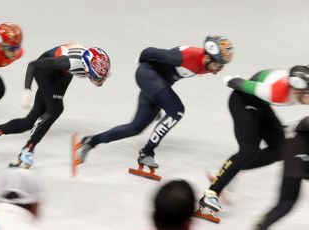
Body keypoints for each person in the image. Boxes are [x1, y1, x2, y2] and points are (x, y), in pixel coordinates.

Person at [75, 35, 233, 170]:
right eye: (218, 64)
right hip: (147, 75)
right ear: (207, 57)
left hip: (157, 85)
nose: (220, 69)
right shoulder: (186, 57)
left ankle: (91, 141)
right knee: (176, 110)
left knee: (135, 127)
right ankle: (147, 152)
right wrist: (142, 62)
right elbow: (149, 52)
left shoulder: (207, 64)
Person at [198, 65, 309, 214]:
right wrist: (232, 79)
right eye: (307, 94)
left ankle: (227, 171)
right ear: (296, 89)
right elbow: (237, 83)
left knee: (281, 149)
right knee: (249, 151)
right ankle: (210, 195)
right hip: (242, 101)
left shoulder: (299, 87)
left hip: (262, 105)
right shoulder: (276, 92)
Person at [0, 43, 111, 168]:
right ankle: (28, 149)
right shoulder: (69, 62)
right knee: (56, 109)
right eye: (98, 78)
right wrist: (27, 90)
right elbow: (33, 65)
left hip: (63, 75)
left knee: (30, 121)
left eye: (104, 77)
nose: (102, 82)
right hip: (44, 70)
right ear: (86, 70)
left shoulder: (92, 62)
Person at [255, 116, 309, 229]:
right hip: (297, 152)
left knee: (287, 203)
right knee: (287, 202)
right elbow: (300, 125)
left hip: (299, 149)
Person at [0, 22, 23, 114]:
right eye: (11, 48)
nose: (15, 52)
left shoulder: (18, 53)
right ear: (0, 46)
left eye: (18, 47)